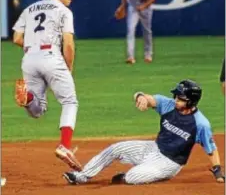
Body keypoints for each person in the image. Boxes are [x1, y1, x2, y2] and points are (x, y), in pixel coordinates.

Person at [63, 79, 225, 185]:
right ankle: (82, 176)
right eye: (176, 96)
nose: (176, 100)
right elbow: (149, 98)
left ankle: (130, 177)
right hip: (153, 148)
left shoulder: (200, 124)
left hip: (169, 163)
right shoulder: (168, 105)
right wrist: (141, 97)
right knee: (115, 149)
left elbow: (211, 149)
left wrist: (217, 171)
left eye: (180, 98)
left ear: (191, 101)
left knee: (133, 177)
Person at [12, 0, 82, 170]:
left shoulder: (29, 9)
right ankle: (65, 146)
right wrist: (68, 68)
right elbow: (68, 44)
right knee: (69, 101)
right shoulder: (63, 11)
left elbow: (17, 37)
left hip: (29, 58)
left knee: (37, 110)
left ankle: (27, 96)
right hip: (52, 56)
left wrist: (32, 47)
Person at [115, 0, 156, 64]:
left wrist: (144, 6)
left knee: (147, 31)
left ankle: (148, 54)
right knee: (130, 30)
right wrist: (122, 6)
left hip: (145, 9)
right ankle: (130, 56)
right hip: (133, 8)